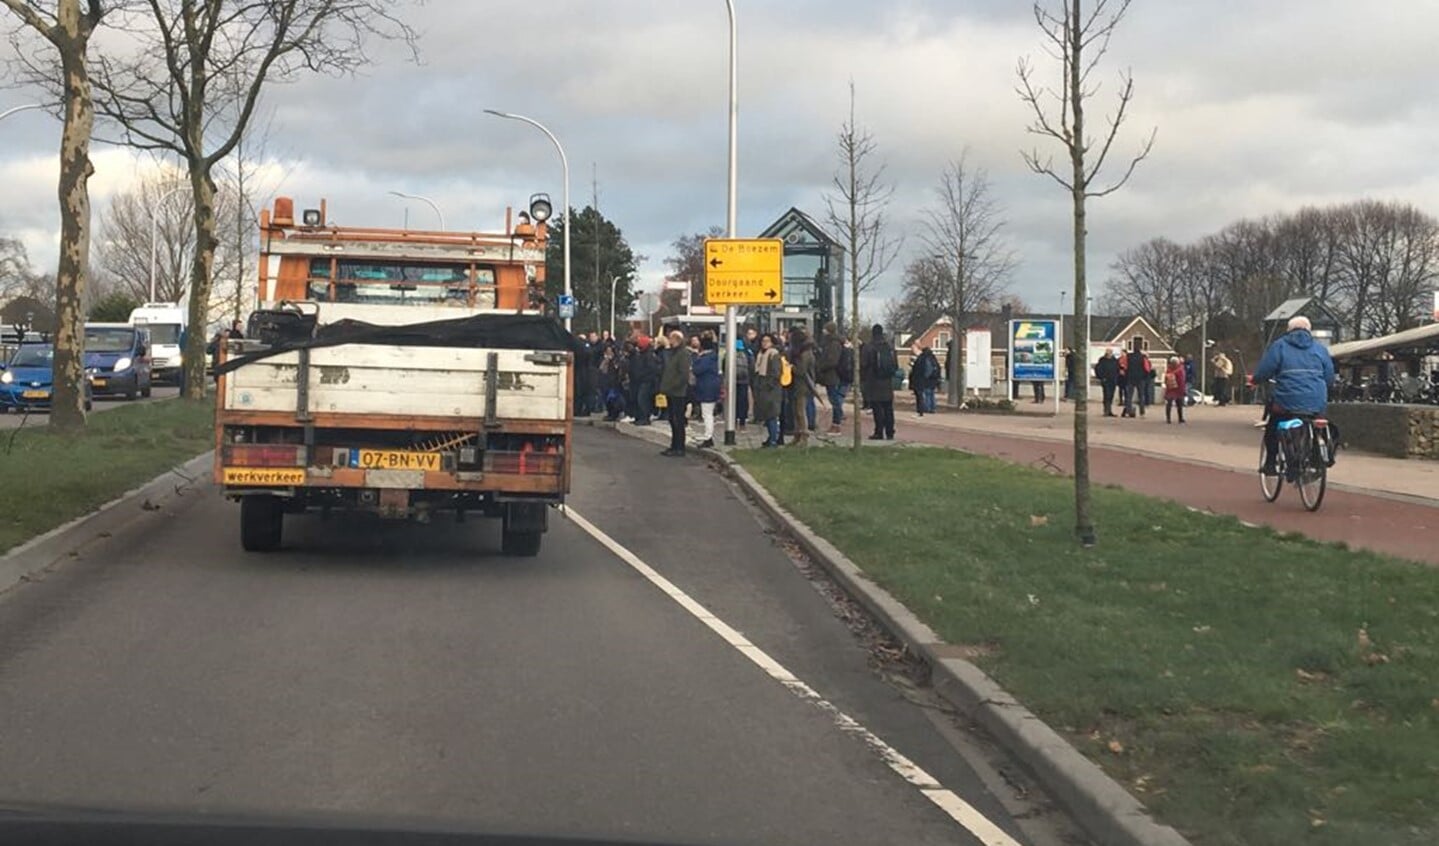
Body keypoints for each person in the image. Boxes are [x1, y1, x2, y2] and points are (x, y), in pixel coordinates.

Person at [1254, 316, 1335, 475]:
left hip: (1287, 401)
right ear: (1309, 330)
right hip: (1316, 401)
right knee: (1316, 422)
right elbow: (1329, 377)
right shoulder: (1320, 349)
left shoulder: (1280, 346)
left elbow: (1265, 370)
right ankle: (1315, 457)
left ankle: (1270, 464)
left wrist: (1256, 380)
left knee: (1273, 425)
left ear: (1289, 330)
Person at [659, 329, 693, 457]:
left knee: (678, 420)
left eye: (671, 339)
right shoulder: (673, 353)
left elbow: (683, 374)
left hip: (678, 393)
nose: (670, 341)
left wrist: (673, 386)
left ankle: (680, 447)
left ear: (677, 340)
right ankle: (674, 445)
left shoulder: (683, 354)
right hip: (670, 392)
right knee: (672, 420)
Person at [860, 324, 896, 440]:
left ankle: (879, 431)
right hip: (887, 382)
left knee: (877, 408)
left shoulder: (869, 347)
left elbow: (863, 364)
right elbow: (895, 365)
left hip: (874, 382)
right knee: (888, 408)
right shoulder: (890, 347)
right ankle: (890, 432)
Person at [788, 328, 820, 447]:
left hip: (803, 385)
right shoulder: (801, 352)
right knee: (796, 411)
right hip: (798, 384)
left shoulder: (806, 354)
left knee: (801, 411)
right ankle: (797, 434)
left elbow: (801, 371)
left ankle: (804, 435)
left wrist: (791, 367)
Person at [752, 333, 783, 448]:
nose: (764, 343)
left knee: (772, 415)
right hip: (763, 388)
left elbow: (776, 373)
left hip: (771, 390)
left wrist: (768, 384)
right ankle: (771, 437)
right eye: (763, 341)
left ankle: (773, 440)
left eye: (767, 341)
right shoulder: (761, 354)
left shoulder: (774, 355)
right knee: (767, 415)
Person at [692, 335, 721, 448]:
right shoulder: (713, 357)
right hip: (711, 386)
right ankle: (708, 436)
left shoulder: (706, 358)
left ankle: (708, 437)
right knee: (707, 413)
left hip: (706, 387)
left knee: (707, 414)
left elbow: (697, 370)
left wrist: (696, 359)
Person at [817, 322, 846, 434]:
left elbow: (832, 360)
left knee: (835, 400)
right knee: (834, 399)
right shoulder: (831, 342)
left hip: (832, 375)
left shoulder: (833, 343)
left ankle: (836, 424)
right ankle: (836, 422)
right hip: (831, 375)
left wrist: (821, 366)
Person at [629, 335, 657, 426]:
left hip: (646, 380)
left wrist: (642, 375)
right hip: (640, 379)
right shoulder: (642, 353)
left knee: (642, 399)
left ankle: (645, 418)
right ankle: (640, 417)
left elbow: (651, 368)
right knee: (639, 399)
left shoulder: (648, 355)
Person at [1119, 340, 1151, 418]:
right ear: (1140, 349)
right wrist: (1146, 376)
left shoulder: (1128, 356)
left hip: (1130, 378)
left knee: (1129, 396)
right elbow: (1147, 368)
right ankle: (1142, 413)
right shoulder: (1143, 357)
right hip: (1140, 378)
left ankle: (1128, 412)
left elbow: (1124, 366)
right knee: (1141, 396)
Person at [909, 346, 941, 415]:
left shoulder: (924, 358)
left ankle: (928, 408)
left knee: (927, 394)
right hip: (934, 379)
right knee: (931, 394)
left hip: (927, 379)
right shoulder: (933, 358)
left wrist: (925, 377)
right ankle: (932, 408)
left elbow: (927, 369)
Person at [731, 337, 752, 430]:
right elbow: (752, 366)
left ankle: (733, 421)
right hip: (744, 380)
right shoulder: (748, 353)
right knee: (743, 401)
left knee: (733, 401)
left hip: (733, 380)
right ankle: (742, 422)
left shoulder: (730, 351)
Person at [1093, 348, 1120, 417]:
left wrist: (1117, 377)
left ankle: (1109, 410)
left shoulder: (1115, 361)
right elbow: (1098, 369)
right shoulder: (1102, 360)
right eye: (1108, 352)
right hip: (1105, 380)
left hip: (1113, 380)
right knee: (1106, 395)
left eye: (1110, 352)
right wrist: (1101, 377)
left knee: (1111, 396)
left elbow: (1117, 369)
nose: (1109, 354)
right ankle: (1106, 410)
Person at [1163, 356, 1187, 424]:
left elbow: (1166, 379)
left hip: (1171, 389)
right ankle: (1180, 418)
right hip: (1178, 389)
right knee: (1179, 404)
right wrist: (1183, 390)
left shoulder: (1168, 369)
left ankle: (1169, 418)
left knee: (1169, 404)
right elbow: (1182, 381)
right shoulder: (1181, 370)